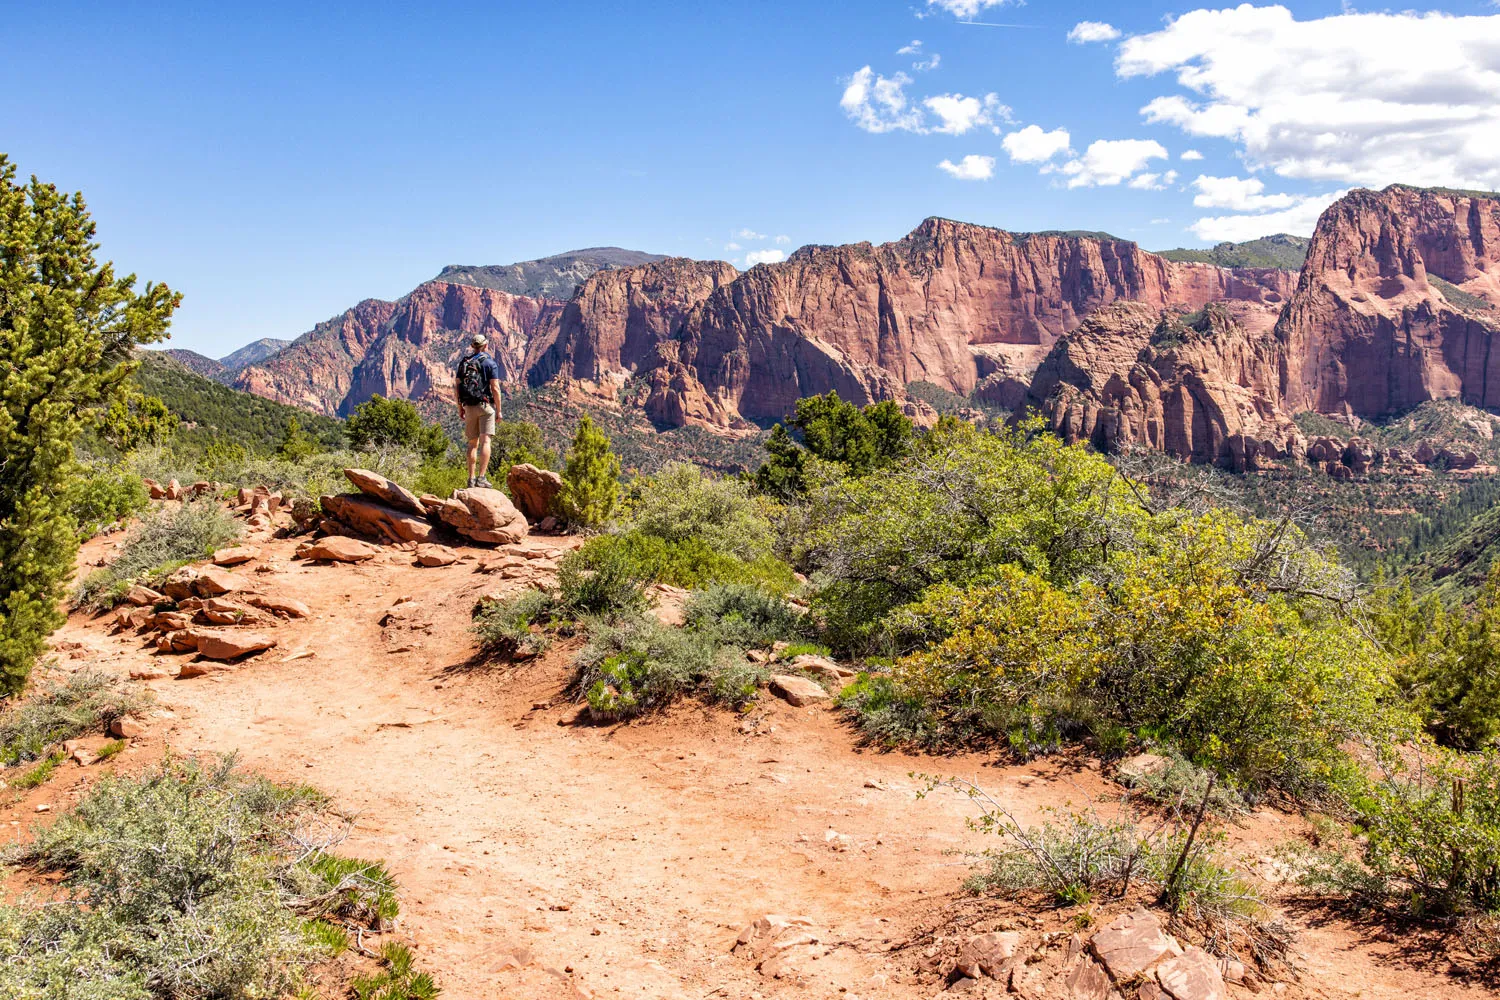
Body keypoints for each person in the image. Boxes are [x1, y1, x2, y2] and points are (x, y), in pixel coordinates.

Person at [455, 333, 503, 488]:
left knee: (472, 444)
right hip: (485, 406)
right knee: (486, 441)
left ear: (473, 347)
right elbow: (495, 388)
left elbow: (456, 388)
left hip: (468, 406)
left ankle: (471, 479)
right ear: (485, 345)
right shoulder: (490, 363)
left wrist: (460, 407)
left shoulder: (464, 363)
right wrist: (499, 409)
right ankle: (481, 478)